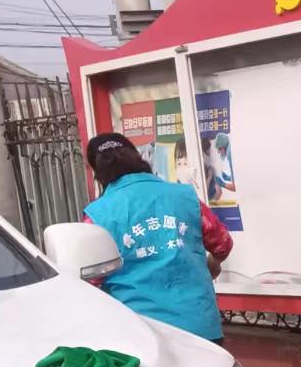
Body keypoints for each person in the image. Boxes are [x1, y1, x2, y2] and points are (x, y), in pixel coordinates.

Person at [83, 133, 231, 342]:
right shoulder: (185, 196)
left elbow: (89, 280)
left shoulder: (97, 215)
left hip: (141, 336)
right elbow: (222, 243)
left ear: (97, 171)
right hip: (201, 330)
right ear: (138, 158)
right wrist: (213, 264)